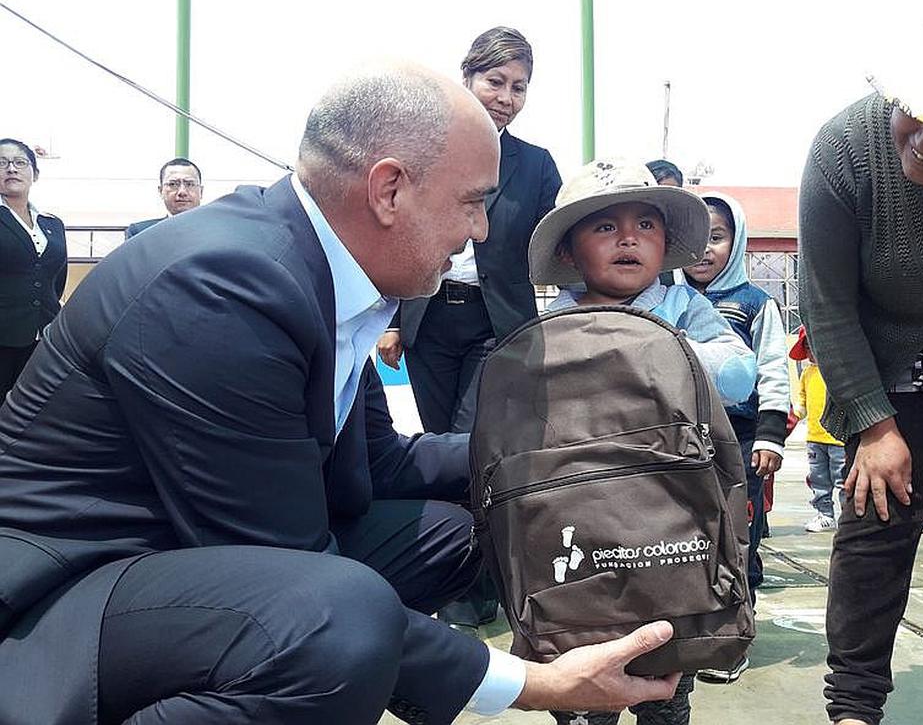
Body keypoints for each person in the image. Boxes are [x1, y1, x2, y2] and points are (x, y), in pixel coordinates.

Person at [0, 65, 683, 725]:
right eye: (474, 202)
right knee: (339, 621)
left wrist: (550, 454)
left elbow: (379, 463)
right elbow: (292, 562)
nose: (480, 231)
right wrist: (538, 684)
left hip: (177, 552)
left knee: (460, 527)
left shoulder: (329, 281)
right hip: (59, 603)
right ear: (390, 191)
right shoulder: (222, 286)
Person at [797, 0, 923, 724]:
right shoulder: (848, 146)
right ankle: (854, 706)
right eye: (916, 110)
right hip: (894, 349)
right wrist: (873, 424)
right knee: (879, 515)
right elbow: (826, 301)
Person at [528, 158, 757, 725]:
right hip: (582, 516)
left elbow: (738, 374)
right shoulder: (551, 328)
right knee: (585, 660)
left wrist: (649, 348)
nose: (628, 238)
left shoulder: (684, 309)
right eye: (605, 226)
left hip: (671, 513)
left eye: (646, 225)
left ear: (664, 244)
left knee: (667, 665)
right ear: (567, 252)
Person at [379, 25, 562, 632]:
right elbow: (393, 230)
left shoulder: (536, 167)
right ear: (467, 79)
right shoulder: (425, 148)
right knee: (434, 444)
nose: (507, 96)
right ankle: (446, 570)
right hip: (428, 316)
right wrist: (389, 315)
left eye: (519, 87)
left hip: (499, 324)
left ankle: (477, 584)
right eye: (496, 81)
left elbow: (554, 245)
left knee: (477, 443)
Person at [672, 191, 790, 684]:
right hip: (682, 438)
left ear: (736, 241)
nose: (705, 249)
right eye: (696, 238)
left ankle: (732, 640)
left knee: (739, 539)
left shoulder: (756, 304)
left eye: (716, 237)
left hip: (739, 439)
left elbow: (773, 371)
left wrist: (769, 437)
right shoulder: (670, 300)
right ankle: (694, 635)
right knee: (690, 539)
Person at [0, 138, 67, 400]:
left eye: (20, 162)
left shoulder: (52, 223)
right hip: (3, 336)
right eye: (2, 163)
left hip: (46, 336)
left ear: (35, 174)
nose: (11, 169)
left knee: (37, 409)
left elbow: (56, 280)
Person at [790, 326, 846, 532]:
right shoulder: (807, 373)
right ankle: (825, 514)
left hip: (839, 439)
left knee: (842, 479)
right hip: (814, 437)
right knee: (819, 478)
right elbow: (802, 400)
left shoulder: (838, 371)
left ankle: (847, 517)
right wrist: (795, 414)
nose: (810, 351)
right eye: (806, 347)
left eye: (813, 345)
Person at [124, 157, 203, 238]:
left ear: (201, 191)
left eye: (189, 184)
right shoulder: (140, 233)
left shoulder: (215, 230)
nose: (182, 192)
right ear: (161, 191)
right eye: (173, 184)